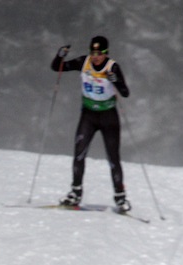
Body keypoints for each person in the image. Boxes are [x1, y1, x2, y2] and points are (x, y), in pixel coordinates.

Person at [51, 35, 131, 213]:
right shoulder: (83, 62)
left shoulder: (112, 67)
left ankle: (120, 198)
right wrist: (60, 55)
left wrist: (115, 80)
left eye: (99, 53)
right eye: (93, 52)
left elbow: (125, 92)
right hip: (88, 116)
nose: (95, 57)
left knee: (113, 159)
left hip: (109, 116)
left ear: (105, 53)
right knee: (79, 153)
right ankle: (75, 193)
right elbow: (57, 67)